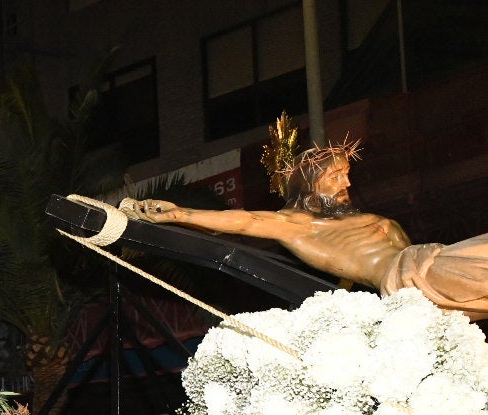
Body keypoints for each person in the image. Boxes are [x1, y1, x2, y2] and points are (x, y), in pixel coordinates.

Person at [131, 117, 488, 321]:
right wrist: (180, 214)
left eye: (347, 173)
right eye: (335, 177)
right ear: (309, 184)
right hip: (408, 278)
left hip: (428, 279)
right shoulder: (300, 225)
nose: (347, 183)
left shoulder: (357, 218)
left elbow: (348, 279)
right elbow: (247, 222)